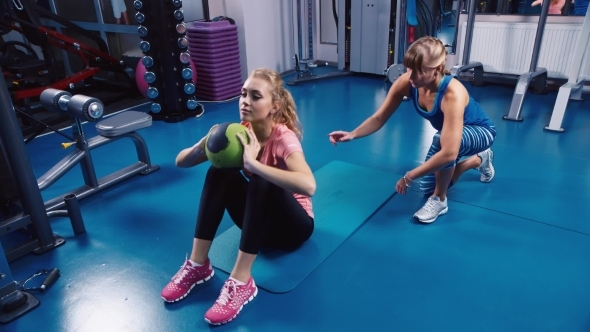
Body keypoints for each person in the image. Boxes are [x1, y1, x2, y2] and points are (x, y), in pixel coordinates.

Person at [161, 68, 316, 325]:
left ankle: (242, 281)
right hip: (260, 227)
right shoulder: (239, 132)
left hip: (294, 229)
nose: (245, 101)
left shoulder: (283, 138)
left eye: (255, 96)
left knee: (262, 182)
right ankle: (198, 265)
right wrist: (204, 144)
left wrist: (255, 167)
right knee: (218, 171)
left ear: (274, 106)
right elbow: (181, 162)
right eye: (243, 94)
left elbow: (309, 185)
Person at [328, 36, 496, 224]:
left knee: (441, 146)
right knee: (427, 186)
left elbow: (449, 153)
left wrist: (409, 176)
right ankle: (478, 160)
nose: (411, 76)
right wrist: (352, 134)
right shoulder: (407, 82)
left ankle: (440, 200)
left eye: (419, 71)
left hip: (480, 131)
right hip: (451, 136)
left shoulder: (452, 93)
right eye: (409, 68)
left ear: (438, 69)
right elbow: (379, 117)